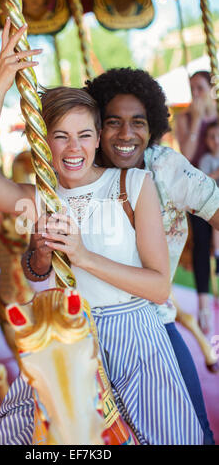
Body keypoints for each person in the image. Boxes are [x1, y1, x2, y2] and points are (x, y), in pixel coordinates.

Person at [0, 20, 204, 445]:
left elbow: (159, 287)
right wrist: (0, 83)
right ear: (45, 142)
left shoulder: (133, 186)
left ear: (97, 140)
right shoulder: (40, 197)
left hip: (133, 338)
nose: (73, 148)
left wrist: (83, 255)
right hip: (65, 339)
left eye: (84, 135)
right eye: (60, 137)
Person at [25, 67, 219, 445]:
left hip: (149, 322)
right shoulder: (75, 168)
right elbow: (34, 259)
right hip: (81, 328)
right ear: (97, 129)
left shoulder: (164, 167)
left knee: (192, 427)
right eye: (113, 123)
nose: (126, 135)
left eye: (138, 123)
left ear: (153, 126)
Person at [175, 71, 218, 334]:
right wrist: (198, 120)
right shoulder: (185, 119)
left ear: (210, 89)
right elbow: (187, 155)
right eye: (192, 88)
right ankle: (204, 306)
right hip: (199, 187)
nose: (196, 93)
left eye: (200, 87)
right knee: (202, 244)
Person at [198, 120, 219, 276]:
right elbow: (202, 181)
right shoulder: (206, 159)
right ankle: (217, 254)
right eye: (212, 137)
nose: (216, 140)